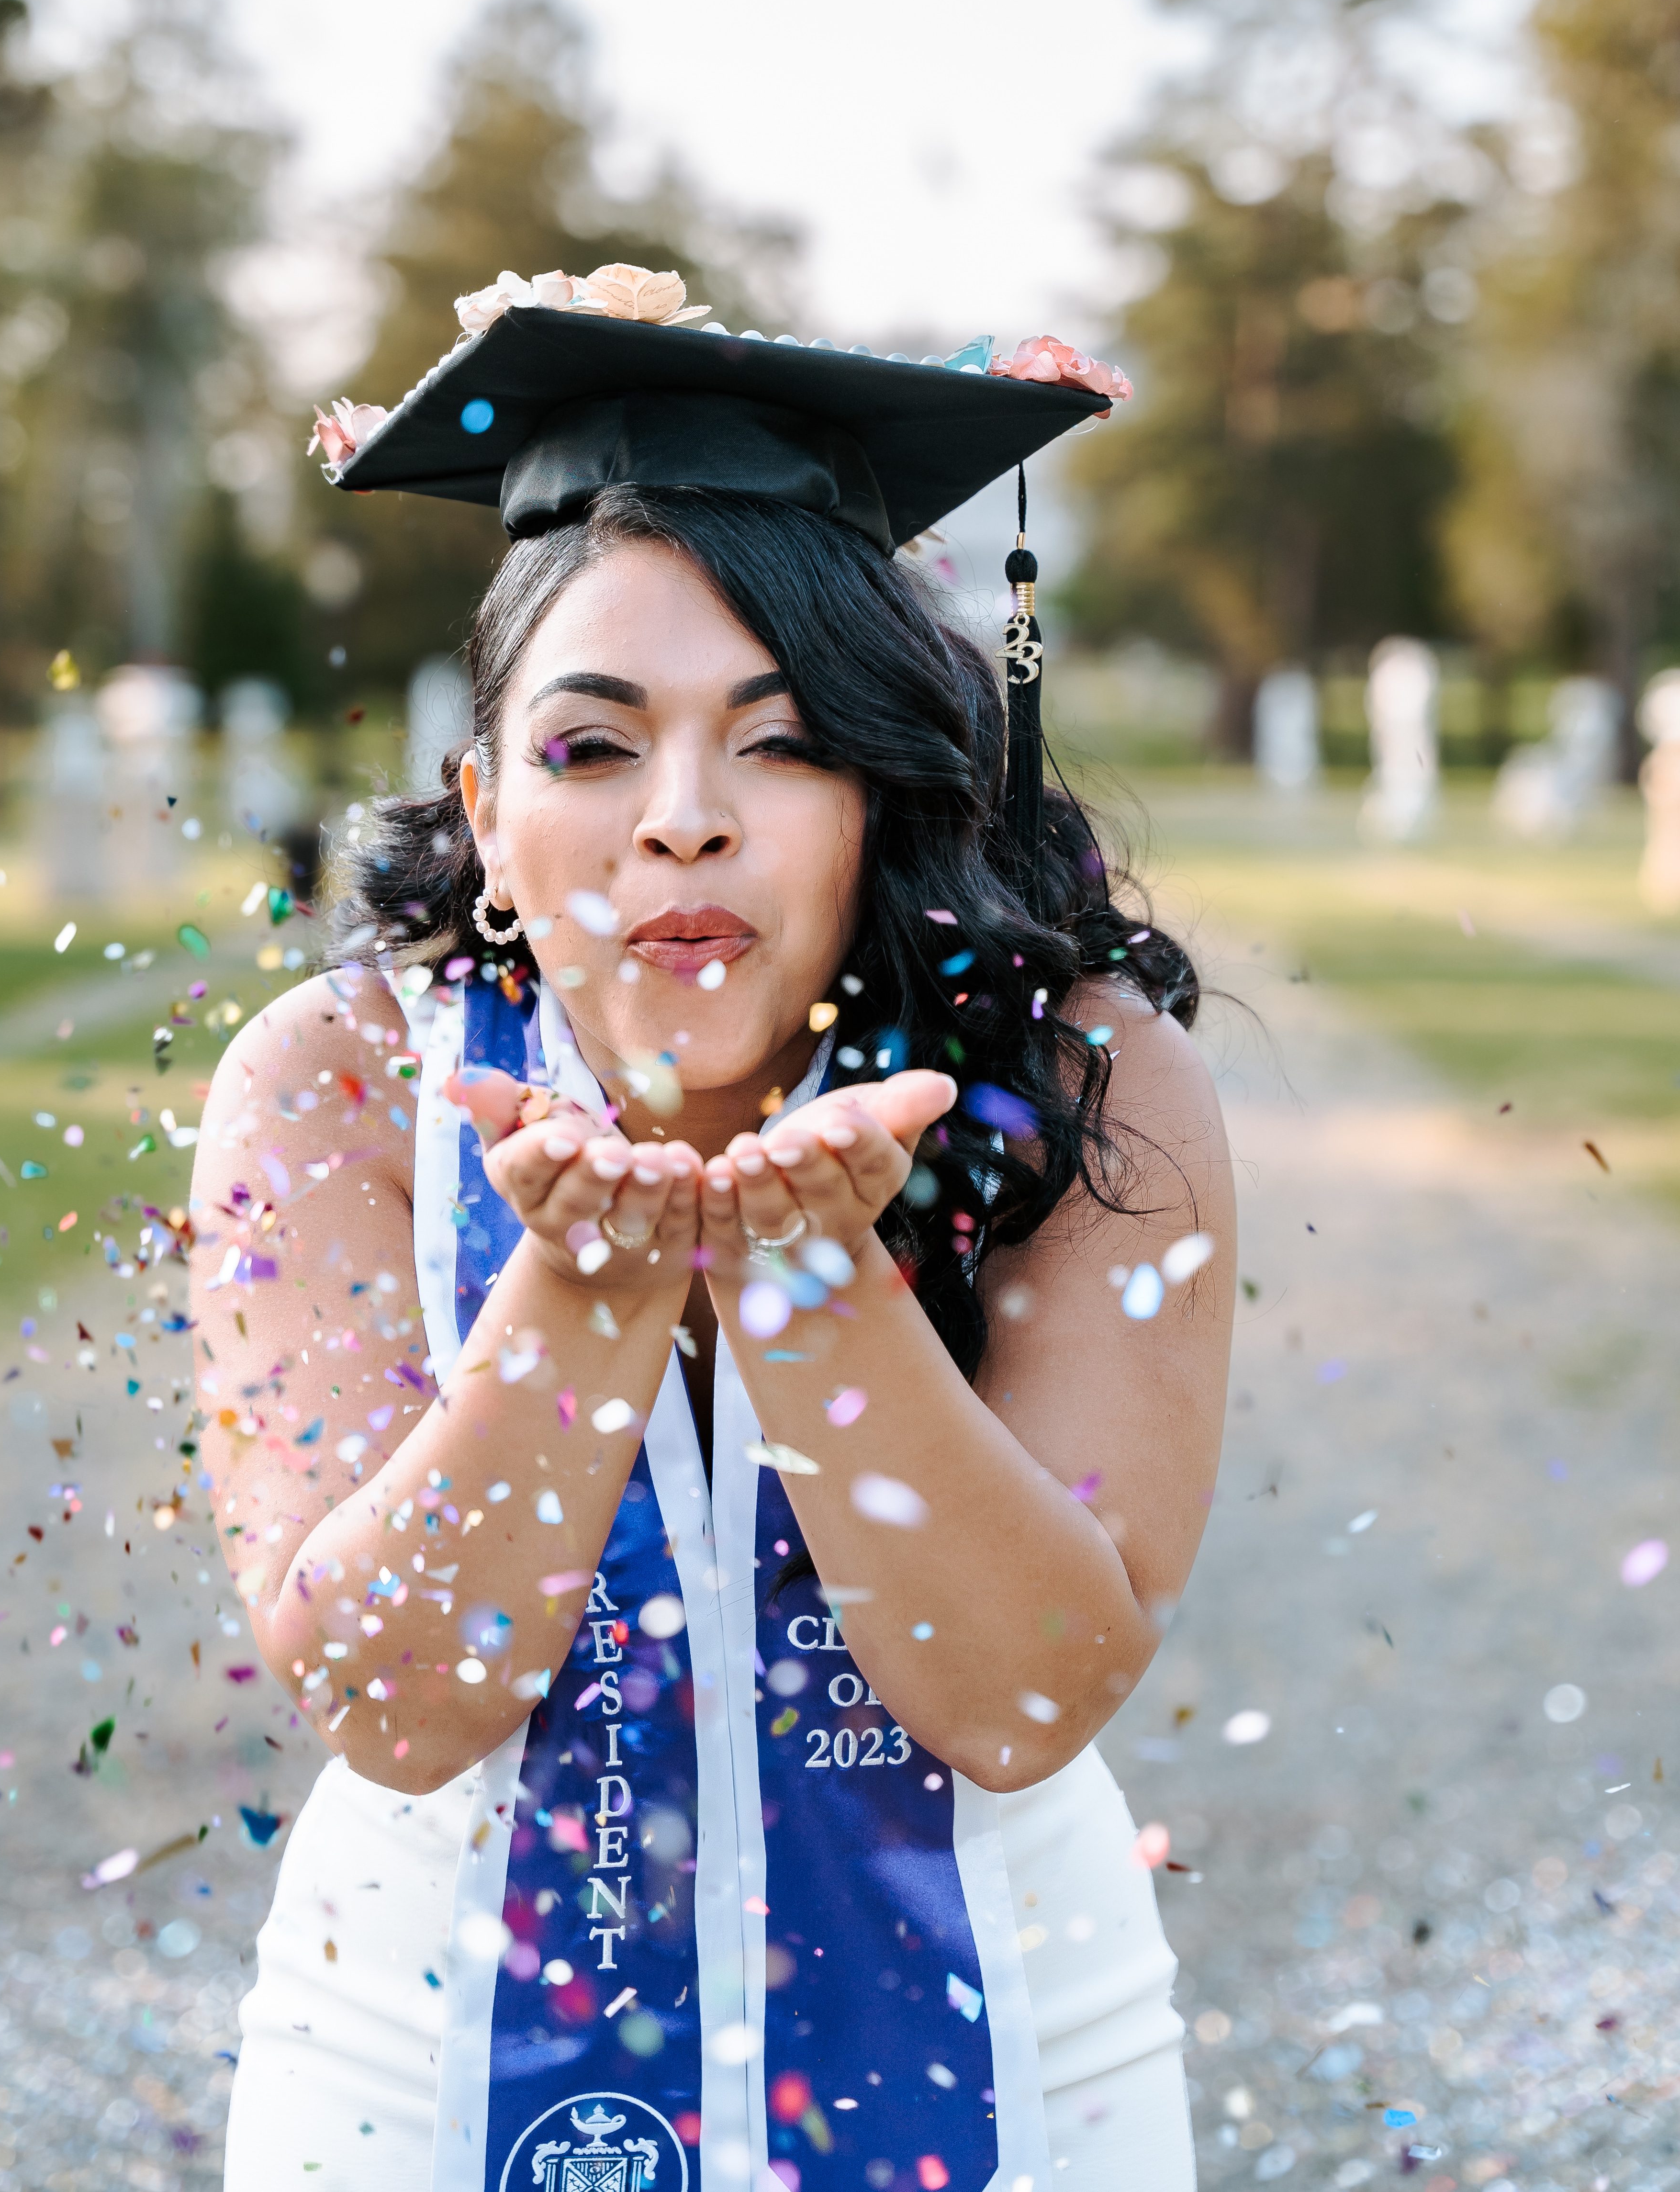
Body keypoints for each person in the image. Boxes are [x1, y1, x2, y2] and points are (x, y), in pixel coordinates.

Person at [196, 270, 1236, 2192]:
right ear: (486, 813)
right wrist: (582, 1297)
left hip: (1016, 2067)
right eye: (592, 748)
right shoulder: (333, 1083)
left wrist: (808, 1280)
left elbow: (1023, 1698)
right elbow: (394, 1706)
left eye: (779, 740)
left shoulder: (1089, 1077)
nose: (683, 818)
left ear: (889, 779)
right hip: (415, 2074)